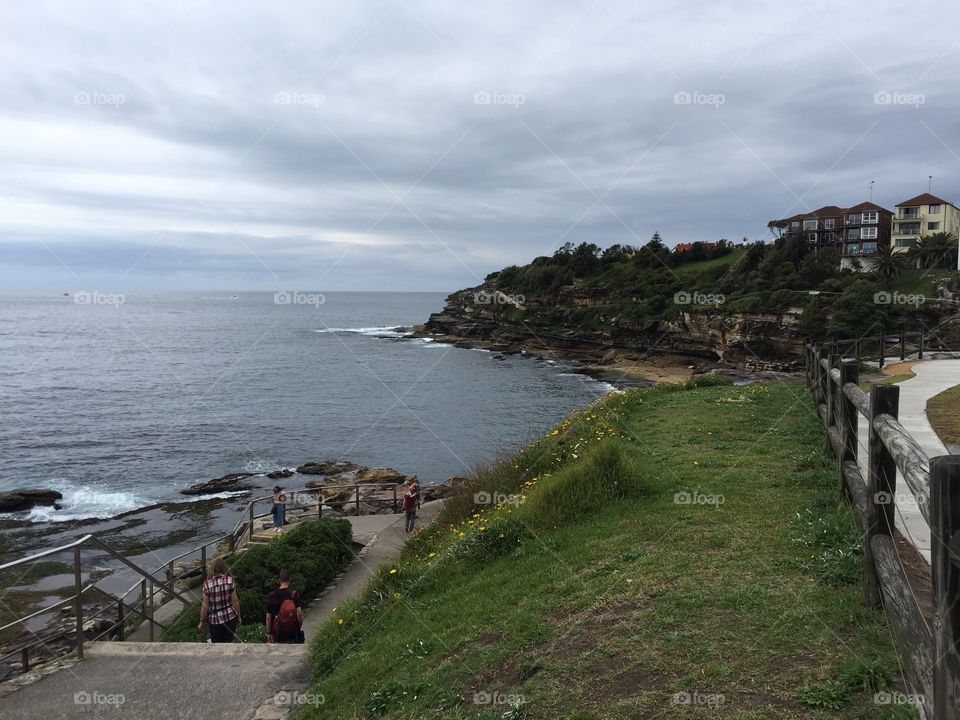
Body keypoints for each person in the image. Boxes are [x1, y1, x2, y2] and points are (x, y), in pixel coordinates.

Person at [198, 558, 241, 643]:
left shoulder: (207, 584)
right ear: (224, 568)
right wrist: (239, 616)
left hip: (214, 620)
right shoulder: (230, 580)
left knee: (217, 645)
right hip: (230, 617)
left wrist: (202, 621)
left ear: (213, 569)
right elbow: (235, 601)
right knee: (227, 643)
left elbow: (204, 606)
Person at [265, 569, 304, 644]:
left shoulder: (271, 596)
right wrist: (298, 627)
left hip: (277, 633)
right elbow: (300, 615)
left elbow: (268, 617)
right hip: (292, 633)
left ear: (279, 580)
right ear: (290, 579)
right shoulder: (294, 595)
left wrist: (268, 633)